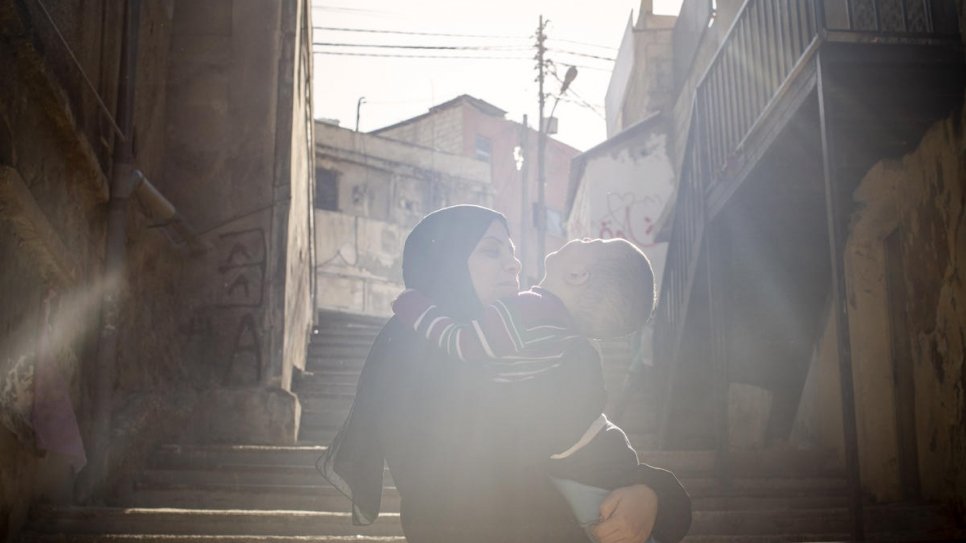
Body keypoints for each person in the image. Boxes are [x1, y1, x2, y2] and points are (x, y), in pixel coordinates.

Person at [318, 205, 691, 543]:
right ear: (446, 263)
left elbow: (589, 453)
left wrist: (652, 497)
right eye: (492, 250)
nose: (514, 265)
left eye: (512, 252)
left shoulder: (532, 346)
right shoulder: (412, 356)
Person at [390, 237, 658, 538]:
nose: (580, 238)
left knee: (605, 527)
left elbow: (465, 343)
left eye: (590, 242)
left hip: (581, 463)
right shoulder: (558, 328)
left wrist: (415, 306)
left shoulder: (529, 308)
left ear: (577, 275)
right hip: (592, 456)